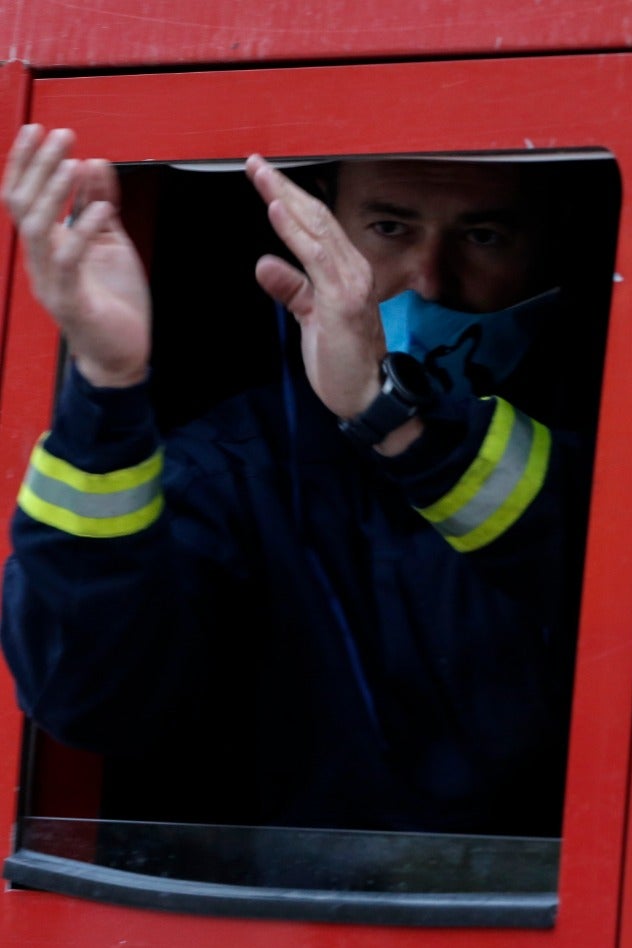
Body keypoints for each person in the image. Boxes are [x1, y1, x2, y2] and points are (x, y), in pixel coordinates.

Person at [0, 125, 590, 837]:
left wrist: (389, 417)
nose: (430, 278)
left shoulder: (625, 422)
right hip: (289, 937)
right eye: (389, 227)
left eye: (484, 237)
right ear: (315, 227)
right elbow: (85, 699)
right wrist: (105, 388)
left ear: (550, 245)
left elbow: (599, 571)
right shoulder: (227, 472)